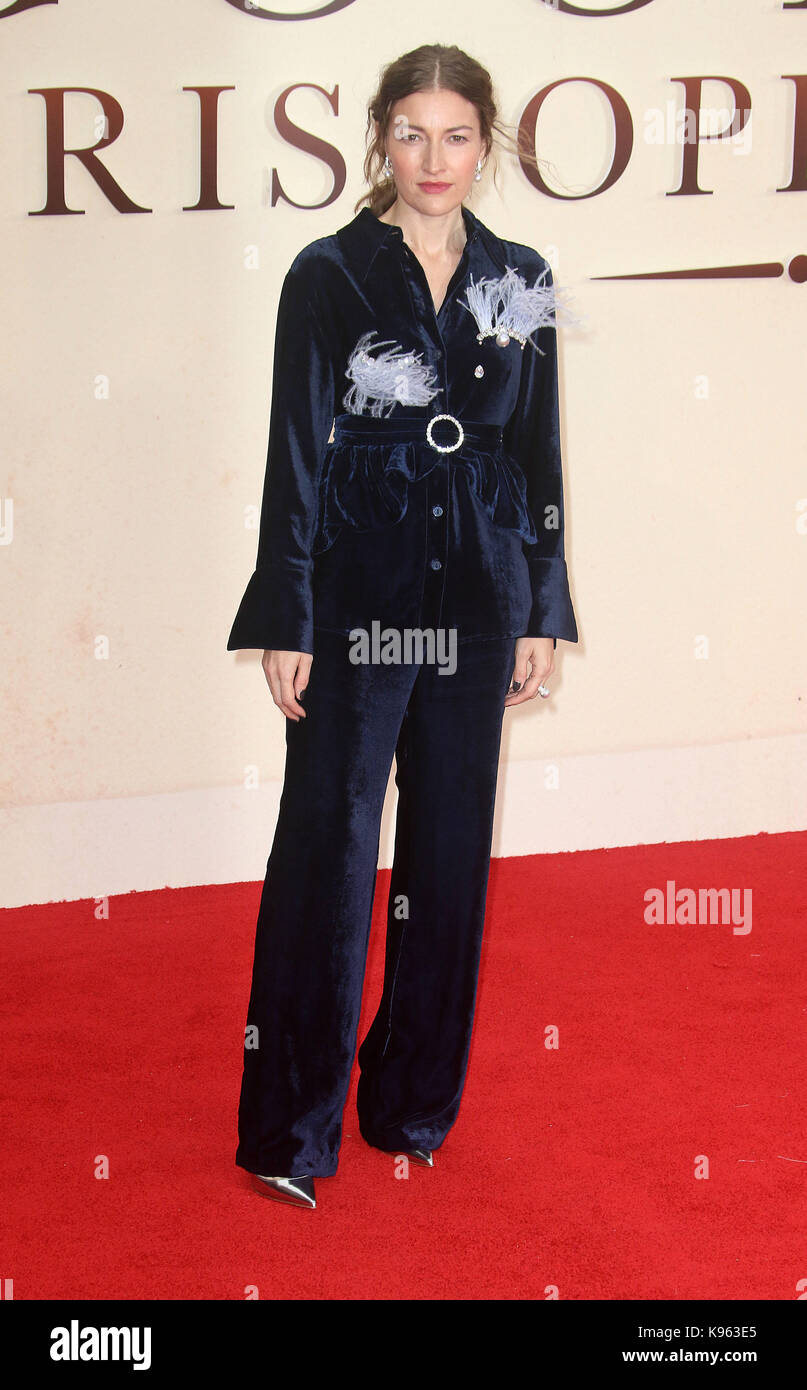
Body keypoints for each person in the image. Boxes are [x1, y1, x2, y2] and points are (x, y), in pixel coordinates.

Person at [226, 43, 579, 1210]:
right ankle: (290, 1124)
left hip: (479, 600)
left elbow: (537, 458)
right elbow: (291, 458)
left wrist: (542, 606)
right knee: (325, 847)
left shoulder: (521, 274)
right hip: (360, 594)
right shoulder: (328, 273)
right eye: (414, 133)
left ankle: (411, 1102)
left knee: (447, 856)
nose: (436, 159)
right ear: (380, 137)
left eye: (459, 134)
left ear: (491, 141)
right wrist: (291, 611)